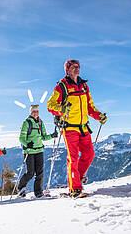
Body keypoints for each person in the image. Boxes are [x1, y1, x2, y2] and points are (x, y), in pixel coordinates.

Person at [47, 59, 107, 198]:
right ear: (67, 70)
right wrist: (61, 109)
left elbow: (89, 107)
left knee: (89, 154)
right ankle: (75, 189)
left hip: (84, 127)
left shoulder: (84, 87)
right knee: (73, 158)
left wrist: (99, 116)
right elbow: (50, 105)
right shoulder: (61, 87)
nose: (76, 69)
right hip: (69, 128)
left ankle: (78, 178)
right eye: (73, 67)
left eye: (78, 67)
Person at [18, 105, 58, 198]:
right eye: (33, 111)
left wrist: (52, 136)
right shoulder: (26, 123)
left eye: (37, 111)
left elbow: (43, 137)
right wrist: (27, 144)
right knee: (30, 173)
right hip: (29, 151)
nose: (35, 113)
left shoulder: (40, 123)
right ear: (30, 112)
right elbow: (21, 138)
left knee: (40, 172)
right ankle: (21, 187)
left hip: (39, 150)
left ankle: (38, 192)